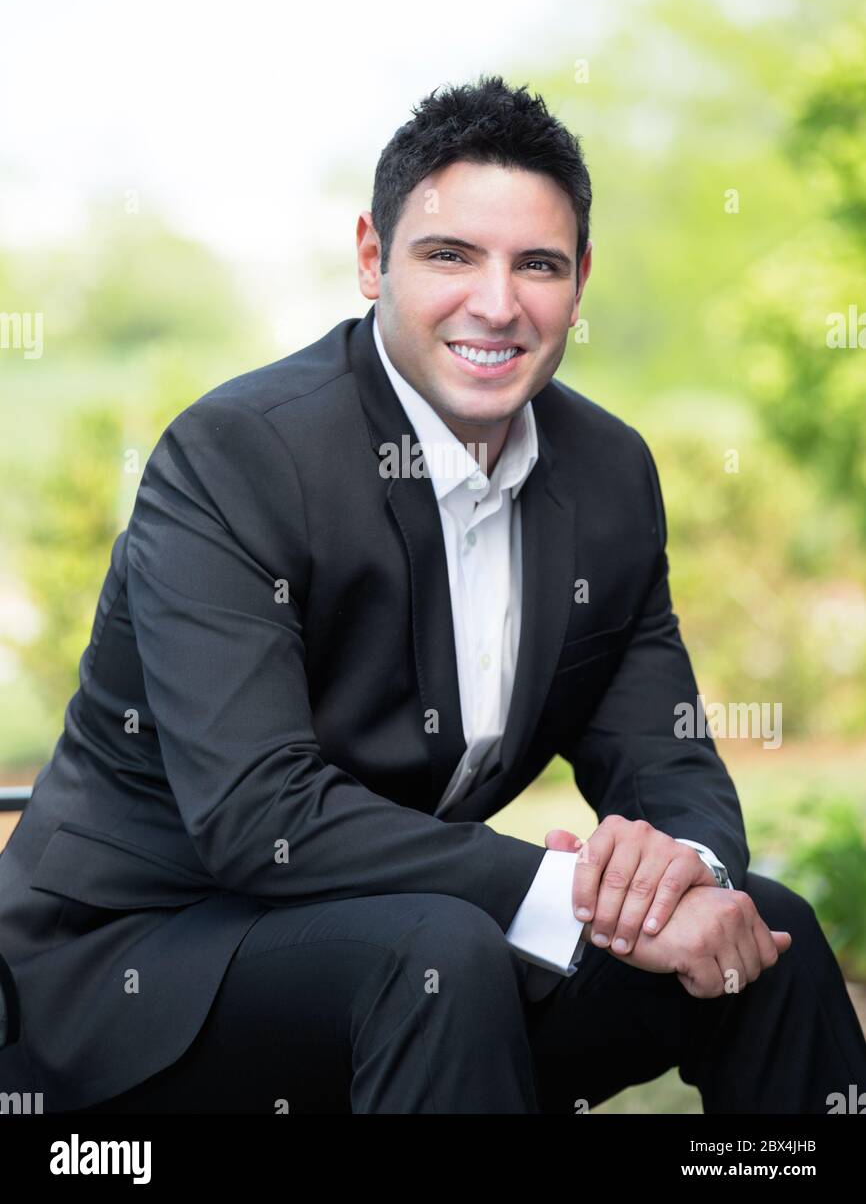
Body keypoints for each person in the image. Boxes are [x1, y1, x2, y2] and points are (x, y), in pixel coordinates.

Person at [1, 75, 864, 1115]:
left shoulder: (606, 473)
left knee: (761, 931)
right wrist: (563, 899)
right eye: (450, 255)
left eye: (536, 264)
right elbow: (254, 812)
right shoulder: (242, 453)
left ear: (579, 281)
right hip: (148, 958)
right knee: (438, 953)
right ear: (371, 257)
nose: (496, 304)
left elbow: (660, 750)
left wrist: (680, 876)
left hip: (406, 939)